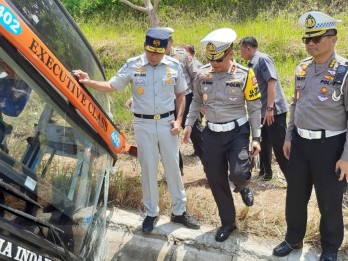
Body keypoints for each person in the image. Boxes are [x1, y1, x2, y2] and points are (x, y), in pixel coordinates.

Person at [73, 28, 200, 233]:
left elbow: (180, 95)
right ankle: (151, 213)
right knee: (148, 168)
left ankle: (179, 211)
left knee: (173, 167)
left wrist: (178, 120)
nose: (154, 57)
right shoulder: (133, 65)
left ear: (165, 50)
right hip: (143, 124)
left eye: (158, 53)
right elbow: (112, 86)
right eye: (151, 52)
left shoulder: (174, 66)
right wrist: (89, 82)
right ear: (144, 46)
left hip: (168, 124)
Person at [273, 11, 348, 261]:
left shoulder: (344, 71)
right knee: (295, 195)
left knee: (329, 201)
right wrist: (288, 137)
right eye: (307, 39)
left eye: (316, 38)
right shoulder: (302, 68)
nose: (310, 44)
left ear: (333, 38)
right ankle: (293, 238)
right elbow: (296, 106)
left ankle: (330, 248)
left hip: (331, 145)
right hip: (301, 144)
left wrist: (346, 156)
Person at [183, 28, 262, 242]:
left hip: (237, 132)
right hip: (212, 133)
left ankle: (243, 183)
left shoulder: (245, 75)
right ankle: (228, 222)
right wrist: (189, 124)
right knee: (216, 180)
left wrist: (256, 137)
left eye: (218, 59)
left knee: (236, 174)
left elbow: (254, 107)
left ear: (230, 54)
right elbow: (197, 101)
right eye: (211, 59)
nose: (214, 64)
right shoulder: (202, 75)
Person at [239, 37, 289, 181]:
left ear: (249, 49)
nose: (240, 53)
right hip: (262, 110)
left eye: (241, 50)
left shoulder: (263, 59)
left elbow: (271, 82)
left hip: (273, 111)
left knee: (279, 146)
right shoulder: (252, 63)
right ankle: (266, 173)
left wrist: (269, 108)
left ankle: (291, 177)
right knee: (263, 142)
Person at [163, 28, 204, 167]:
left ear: (171, 42)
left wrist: (199, 100)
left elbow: (196, 76)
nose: (161, 46)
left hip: (186, 98)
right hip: (165, 102)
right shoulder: (155, 57)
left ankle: (210, 169)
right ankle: (176, 170)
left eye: (165, 42)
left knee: (196, 133)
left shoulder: (183, 55)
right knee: (169, 136)